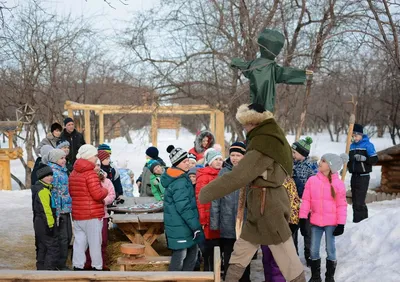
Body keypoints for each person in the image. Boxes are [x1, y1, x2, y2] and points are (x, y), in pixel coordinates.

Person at [199, 104, 306, 282]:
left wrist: (206, 192)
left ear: (253, 123)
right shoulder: (275, 138)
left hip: (268, 206)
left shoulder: (263, 144)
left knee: (284, 252)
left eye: (245, 124)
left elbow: (238, 176)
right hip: (262, 203)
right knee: (242, 248)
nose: (244, 128)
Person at [299, 153, 348, 282]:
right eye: (321, 160)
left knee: (330, 249)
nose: (320, 162)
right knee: (313, 250)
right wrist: (303, 218)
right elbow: (306, 201)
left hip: (331, 223)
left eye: (324, 161)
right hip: (315, 222)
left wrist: (341, 223)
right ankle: (315, 277)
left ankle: (329, 277)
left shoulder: (338, 184)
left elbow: (341, 205)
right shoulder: (312, 181)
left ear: (331, 166)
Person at [210, 141, 251, 282]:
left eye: (238, 155)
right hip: (227, 223)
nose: (234, 158)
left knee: (244, 258)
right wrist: (215, 224)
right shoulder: (223, 173)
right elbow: (216, 200)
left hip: (245, 225)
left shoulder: (249, 174)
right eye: (232, 155)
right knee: (228, 256)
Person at [161, 145, 204, 271]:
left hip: (183, 225)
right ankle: (174, 278)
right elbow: (184, 207)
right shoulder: (179, 181)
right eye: (184, 162)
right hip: (180, 225)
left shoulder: (181, 177)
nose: (188, 164)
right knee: (180, 255)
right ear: (177, 163)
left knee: (192, 252)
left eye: (187, 161)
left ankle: (186, 278)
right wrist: (195, 226)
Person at [69, 144, 108, 271]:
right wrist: (105, 190)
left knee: (79, 243)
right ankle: (97, 268)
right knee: (95, 243)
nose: (97, 159)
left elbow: (72, 192)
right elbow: (97, 194)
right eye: (95, 156)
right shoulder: (90, 173)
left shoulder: (73, 173)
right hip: (92, 214)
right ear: (88, 156)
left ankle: (78, 267)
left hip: (78, 214)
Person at [291, 136, 318, 265]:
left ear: (302, 154)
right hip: (292, 205)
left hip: (306, 205)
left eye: (294, 152)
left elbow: (315, 187)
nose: (292, 154)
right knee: (292, 231)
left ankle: (310, 256)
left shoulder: (311, 167)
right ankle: (293, 256)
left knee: (308, 232)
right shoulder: (291, 165)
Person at [85, 161, 116, 271]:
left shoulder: (106, 181)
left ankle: (101, 263)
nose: (97, 167)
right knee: (89, 241)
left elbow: (112, 194)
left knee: (102, 240)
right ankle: (88, 263)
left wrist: (103, 201)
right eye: (94, 165)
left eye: (98, 165)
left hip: (103, 215)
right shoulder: (86, 179)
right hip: (90, 215)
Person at [196, 148, 223, 271]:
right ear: (210, 161)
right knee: (210, 248)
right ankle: (209, 272)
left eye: (220, 159)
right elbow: (200, 199)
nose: (219, 162)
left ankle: (217, 271)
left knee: (219, 246)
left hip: (220, 216)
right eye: (216, 159)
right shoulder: (204, 176)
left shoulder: (223, 174)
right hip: (208, 217)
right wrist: (203, 219)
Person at [47, 149, 72, 270]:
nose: (64, 160)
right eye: (61, 158)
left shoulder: (63, 171)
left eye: (64, 158)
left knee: (68, 236)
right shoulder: (53, 172)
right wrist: (56, 212)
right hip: (59, 211)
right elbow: (54, 194)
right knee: (63, 238)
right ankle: (59, 264)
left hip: (66, 209)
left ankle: (62, 261)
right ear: (54, 159)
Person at [348, 124, 378, 223]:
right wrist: (346, 165)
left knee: (359, 202)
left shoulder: (368, 145)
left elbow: (374, 159)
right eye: (353, 136)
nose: (354, 138)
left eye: (356, 135)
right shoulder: (352, 146)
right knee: (355, 200)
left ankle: (360, 222)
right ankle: (360, 221)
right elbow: (350, 161)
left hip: (363, 177)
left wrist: (365, 159)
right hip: (354, 176)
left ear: (361, 135)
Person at [31, 163, 59, 270]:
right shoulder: (43, 191)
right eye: (47, 176)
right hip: (44, 223)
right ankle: (48, 272)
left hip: (40, 223)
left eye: (51, 175)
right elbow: (46, 210)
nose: (50, 178)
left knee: (42, 247)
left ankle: (40, 271)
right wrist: (50, 226)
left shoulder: (44, 188)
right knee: (52, 248)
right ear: (41, 177)